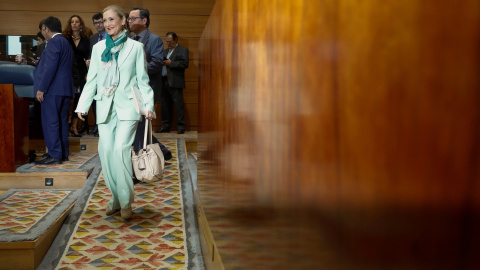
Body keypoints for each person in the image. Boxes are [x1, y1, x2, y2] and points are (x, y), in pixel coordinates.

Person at [76, 5, 155, 221]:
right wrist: (82, 105)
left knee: (121, 149)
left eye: (112, 19)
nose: (108, 23)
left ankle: (126, 200)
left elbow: (142, 81)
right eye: (105, 20)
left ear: (123, 21)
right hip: (104, 106)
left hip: (128, 107)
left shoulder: (136, 48)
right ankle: (116, 199)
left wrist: (148, 106)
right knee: (106, 152)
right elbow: (91, 80)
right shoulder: (99, 47)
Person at [128, 7, 172, 160]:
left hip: (148, 88)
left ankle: (141, 162)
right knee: (138, 126)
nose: (129, 21)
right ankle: (162, 150)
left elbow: (157, 64)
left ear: (144, 20)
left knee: (140, 125)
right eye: (129, 18)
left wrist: (136, 70)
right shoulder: (130, 39)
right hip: (132, 90)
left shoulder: (154, 39)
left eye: (133, 18)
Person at [34, 16, 74, 165]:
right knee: (61, 122)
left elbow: (49, 67)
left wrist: (41, 89)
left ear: (46, 29)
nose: (42, 33)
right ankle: (62, 153)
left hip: (52, 90)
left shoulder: (53, 42)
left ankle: (54, 154)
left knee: (50, 122)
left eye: (42, 30)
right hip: (64, 90)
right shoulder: (65, 42)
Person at [63, 15, 92, 137]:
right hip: (67, 72)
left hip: (81, 72)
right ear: (70, 24)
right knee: (67, 99)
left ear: (81, 24)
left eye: (77, 22)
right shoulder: (65, 38)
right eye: (72, 22)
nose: (74, 24)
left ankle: (75, 126)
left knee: (79, 99)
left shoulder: (86, 39)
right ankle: (66, 123)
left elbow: (89, 55)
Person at [159, 32, 189, 134]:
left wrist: (171, 63)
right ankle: (165, 126)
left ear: (176, 40)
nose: (168, 44)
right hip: (164, 81)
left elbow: (185, 63)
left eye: (170, 41)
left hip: (175, 82)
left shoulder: (183, 50)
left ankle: (181, 127)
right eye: (167, 42)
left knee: (178, 105)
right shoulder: (164, 51)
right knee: (165, 106)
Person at [86, 12, 106, 137]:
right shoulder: (93, 38)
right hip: (96, 75)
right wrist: (88, 61)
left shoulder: (110, 36)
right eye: (95, 23)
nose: (98, 25)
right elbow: (91, 55)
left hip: (108, 74)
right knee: (95, 100)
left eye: (100, 22)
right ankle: (97, 124)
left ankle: (103, 125)